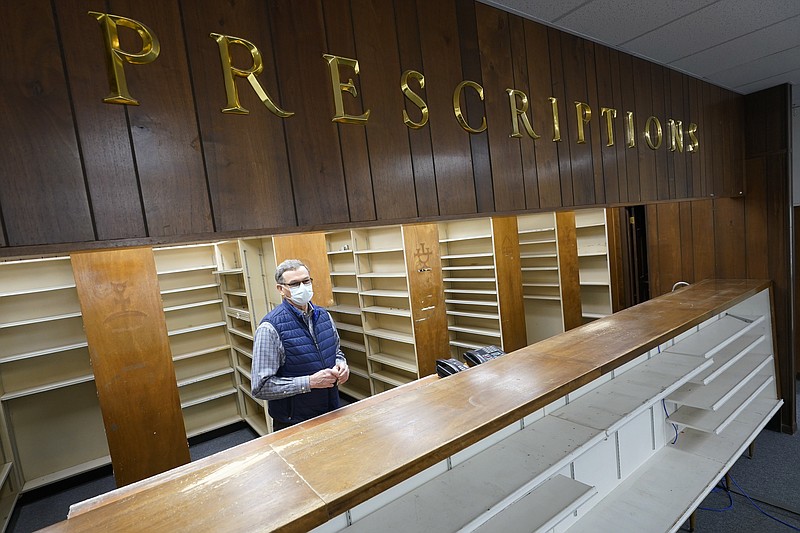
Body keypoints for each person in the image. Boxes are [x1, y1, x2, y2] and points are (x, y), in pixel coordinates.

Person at [252, 259, 349, 431]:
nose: (303, 287)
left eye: (306, 281)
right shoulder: (270, 328)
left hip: (331, 410)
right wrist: (309, 382)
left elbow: (336, 351)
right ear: (281, 289)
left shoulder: (324, 316)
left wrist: (341, 364)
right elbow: (261, 387)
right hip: (294, 422)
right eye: (295, 284)